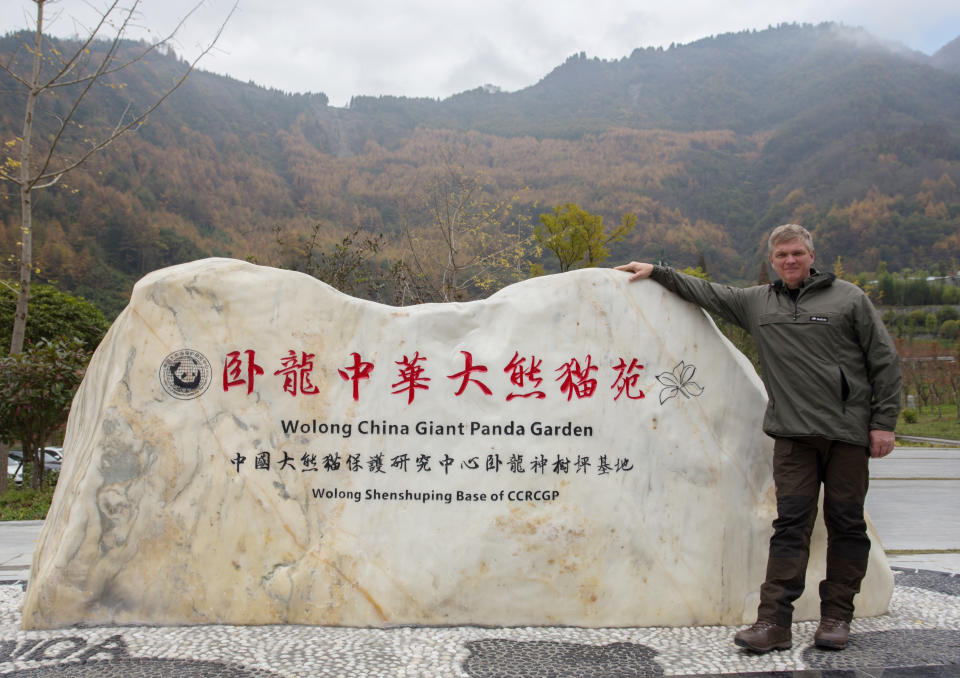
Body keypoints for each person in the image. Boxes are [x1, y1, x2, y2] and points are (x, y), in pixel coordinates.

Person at [616, 224, 901, 653]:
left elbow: (884, 360)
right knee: (790, 526)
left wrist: (884, 422)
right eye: (781, 255)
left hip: (847, 435)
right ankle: (773, 623)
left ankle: (837, 616)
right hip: (792, 438)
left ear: (811, 255)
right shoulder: (757, 302)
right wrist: (658, 271)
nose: (790, 261)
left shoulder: (848, 299)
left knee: (846, 524)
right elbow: (709, 293)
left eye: (797, 254)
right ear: (772, 260)